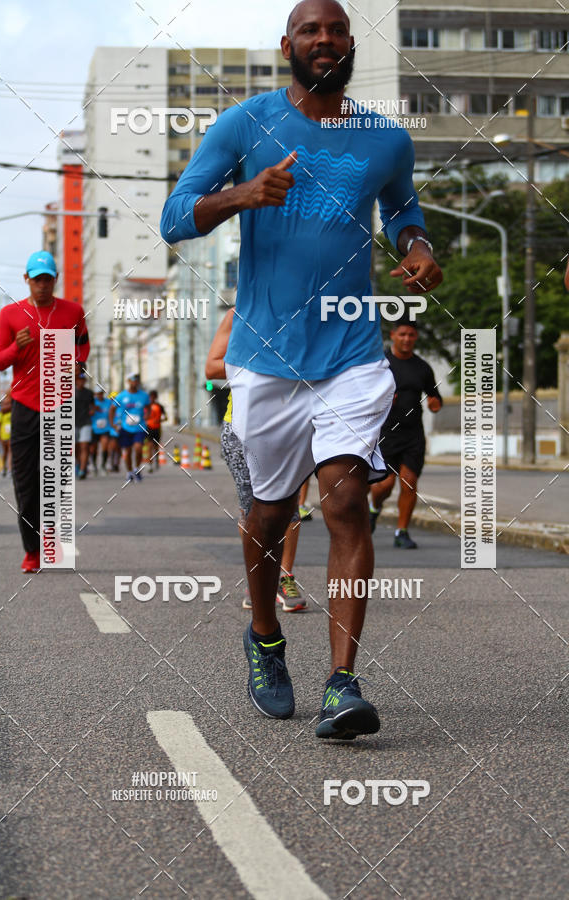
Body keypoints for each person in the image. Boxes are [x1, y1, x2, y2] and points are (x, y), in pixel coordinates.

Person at [160, 0, 442, 739]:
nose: (326, 40)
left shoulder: (384, 139)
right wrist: (243, 195)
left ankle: (342, 684)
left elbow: (406, 212)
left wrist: (417, 247)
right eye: (312, 30)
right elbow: (175, 215)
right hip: (265, 358)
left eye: (338, 30)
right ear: (287, 45)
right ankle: (263, 637)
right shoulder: (245, 125)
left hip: (352, 353)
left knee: (347, 502)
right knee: (270, 514)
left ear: (351, 45)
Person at [0, 250, 89, 572]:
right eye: (37, 280)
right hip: (24, 405)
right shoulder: (10, 314)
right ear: (27, 280)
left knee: (57, 479)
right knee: (25, 480)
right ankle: (32, 550)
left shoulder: (73, 311)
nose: (43, 286)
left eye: (48, 279)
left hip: (60, 403)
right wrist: (15, 346)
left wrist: (74, 367)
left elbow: (83, 346)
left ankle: (53, 543)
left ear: (55, 280)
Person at [206, 308, 307, 612]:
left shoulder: (301, 312)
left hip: (289, 422)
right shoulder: (236, 316)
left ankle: (285, 577)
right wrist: (259, 362)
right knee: (251, 507)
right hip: (240, 427)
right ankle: (258, 579)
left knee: (289, 504)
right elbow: (211, 368)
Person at [369, 320, 442, 548]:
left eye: (411, 335)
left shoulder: (422, 367)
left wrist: (434, 403)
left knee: (409, 482)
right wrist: (383, 401)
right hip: (386, 433)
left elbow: (435, 397)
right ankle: (374, 507)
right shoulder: (380, 364)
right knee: (384, 486)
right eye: (402, 334)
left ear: (416, 338)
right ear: (393, 335)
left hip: (413, 434)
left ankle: (402, 532)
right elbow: (365, 396)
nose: (407, 339)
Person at [109, 373, 149, 482]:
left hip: (139, 428)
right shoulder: (122, 396)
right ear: (128, 381)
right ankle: (129, 471)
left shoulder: (144, 396)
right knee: (127, 451)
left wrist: (147, 415)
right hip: (125, 428)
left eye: (136, 380)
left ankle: (137, 469)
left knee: (138, 448)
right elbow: (112, 409)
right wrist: (112, 424)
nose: (135, 382)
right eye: (132, 380)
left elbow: (148, 407)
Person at [75, 370, 95, 479]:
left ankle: (82, 470)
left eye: (83, 380)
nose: (81, 382)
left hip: (86, 422)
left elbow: (92, 405)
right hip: (73, 423)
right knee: (75, 447)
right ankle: (78, 463)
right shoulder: (69, 392)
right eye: (79, 380)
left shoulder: (89, 393)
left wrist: (92, 410)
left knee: (84, 446)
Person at [144, 390, 167, 472]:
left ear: (156, 397)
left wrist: (159, 420)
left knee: (156, 447)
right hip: (149, 428)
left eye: (153, 397)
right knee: (149, 447)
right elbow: (143, 416)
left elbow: (166, 417)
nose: (152, 398)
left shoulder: (160, 406)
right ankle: (150, 465)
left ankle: (156, 461)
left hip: (157, 429)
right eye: (150, 397)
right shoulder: (146, 406)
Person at [90, 389, 112, 474]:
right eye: (97, 394)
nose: (99, 395)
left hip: (105, 428)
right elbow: (89, 413)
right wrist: (93, 409)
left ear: (103, 394)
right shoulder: (92, 402)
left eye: (100, 394)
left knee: (105, 445)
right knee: (93, 448)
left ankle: (103, 465)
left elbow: (112, 413)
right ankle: (94, 465)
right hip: (94, 428)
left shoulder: (108, 402)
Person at [0, 394, 12, 476]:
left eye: (8, 403)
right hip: (3, 437)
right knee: (5, 453)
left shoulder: (13, 412)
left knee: (10, 451)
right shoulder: (0, 414)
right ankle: (4, 468)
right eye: (5, 404)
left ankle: (10, 469)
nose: (7, 406)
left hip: (11, 436)